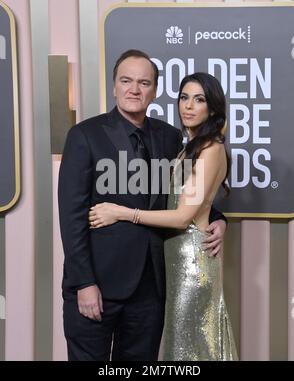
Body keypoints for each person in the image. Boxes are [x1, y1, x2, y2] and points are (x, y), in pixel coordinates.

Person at [58, 50, 227, 361]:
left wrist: (218, 218)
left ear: (155, 90)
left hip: (151, 288)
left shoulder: (170, 137)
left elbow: (185, 192)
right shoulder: (85, 135)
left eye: (143, 82)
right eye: (126, 80)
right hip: (98, 284)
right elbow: (71, 217)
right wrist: (84, 283)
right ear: (114, 87)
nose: (134, 89)